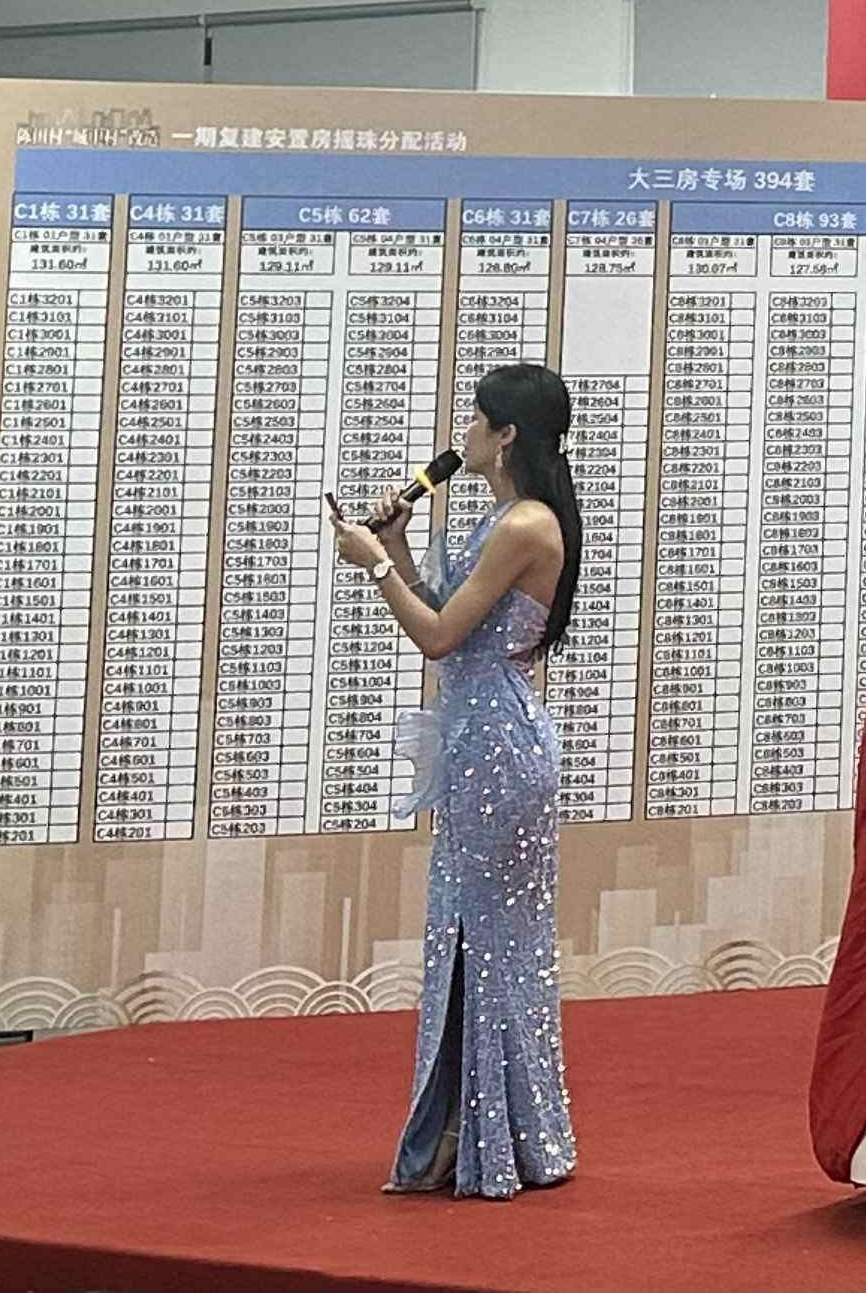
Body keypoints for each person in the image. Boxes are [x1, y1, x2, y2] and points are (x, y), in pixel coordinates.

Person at [325, 362, 584, 1200]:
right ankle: (471, 1129)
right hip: (478, 741)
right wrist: (397, 548)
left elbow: (438, 637)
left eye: (475, 417)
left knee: (494, 939)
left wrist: (374, 565)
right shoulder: (503, 518)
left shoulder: (527, 524)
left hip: (500, 748)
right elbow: (449, 619)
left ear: (507, 435)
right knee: (467, 933)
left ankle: (489, 1134)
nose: (462, 431)